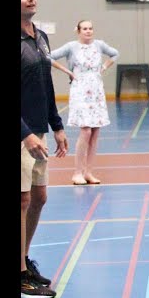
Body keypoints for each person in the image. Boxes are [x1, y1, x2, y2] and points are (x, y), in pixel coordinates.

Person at [21, 0, 69, 298]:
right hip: (22, 135)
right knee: (21, 201)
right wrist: (25, 134)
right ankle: (21, 277)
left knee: (38, 198)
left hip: (38, 131)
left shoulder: (41, 38)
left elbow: (47, 85)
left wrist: (57, 125)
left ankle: (23, 260)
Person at [49, 19, 119, 185]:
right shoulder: (71, 47)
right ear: (78, 31)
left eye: (90, 28)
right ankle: (77, 172)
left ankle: (88, 172)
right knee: (86, 130)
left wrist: (103, 67)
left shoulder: (99, 45)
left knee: (95, 132)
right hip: (80, 89)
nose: (88, 31)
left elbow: (115, 53)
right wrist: (68, 71)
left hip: (96, 90)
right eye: (84, 29)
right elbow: (48, 57)